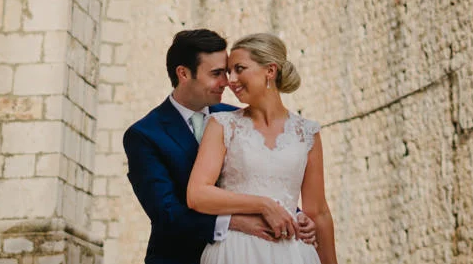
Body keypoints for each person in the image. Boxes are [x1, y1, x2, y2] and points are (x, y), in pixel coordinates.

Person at [124, 29, 316, 263]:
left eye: (228, 71)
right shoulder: (144, 135)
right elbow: (167, 213)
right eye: (217, 74)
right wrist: (236, 222)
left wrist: (293, 215)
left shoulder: (234, 118)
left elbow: (260, 172)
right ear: (183, 74)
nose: (227, 82)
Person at [187, 33, 338, 264]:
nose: (231, 80)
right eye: (229, 72)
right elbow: (198, 194)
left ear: (270, 71)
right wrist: (263, 204)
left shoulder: (307, 133)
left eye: (239, 69)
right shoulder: (222, 125)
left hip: (293, 253)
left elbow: (318, 212)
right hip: (236, 250)